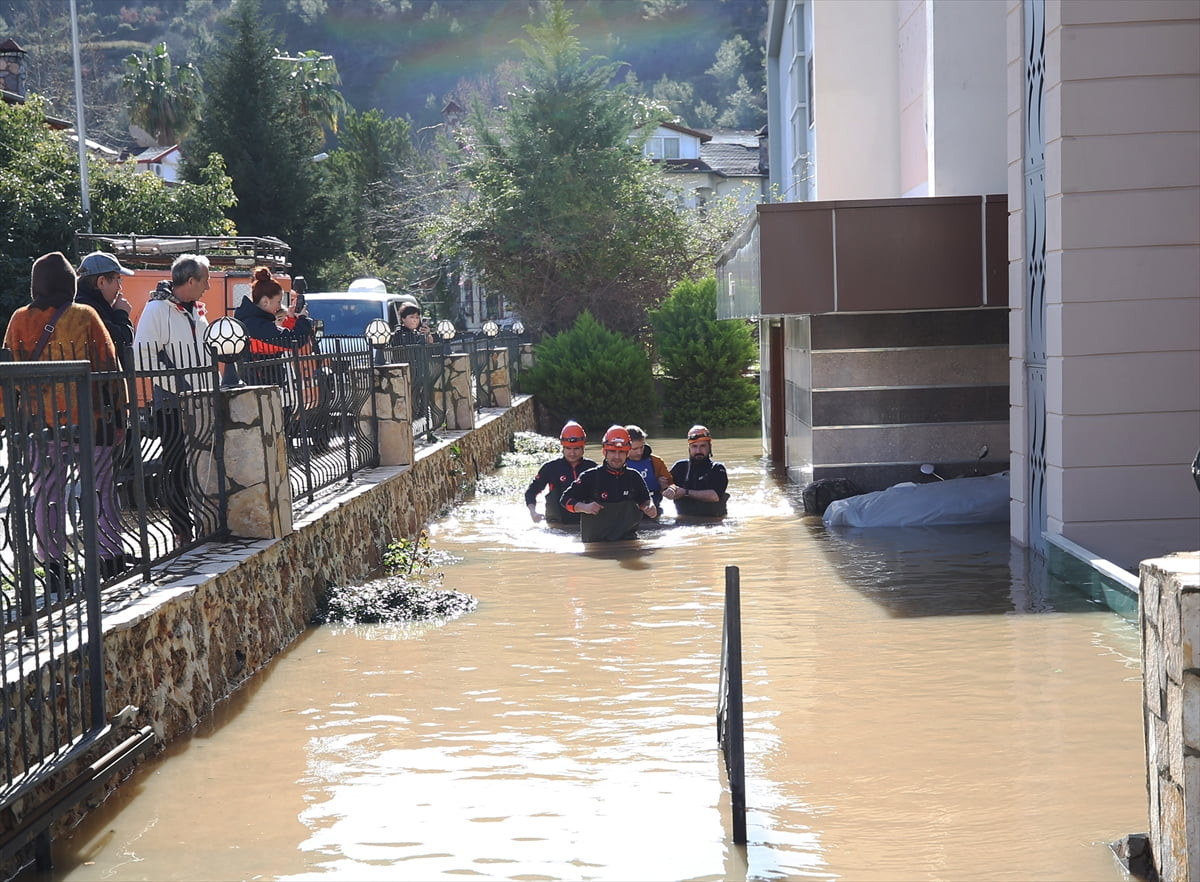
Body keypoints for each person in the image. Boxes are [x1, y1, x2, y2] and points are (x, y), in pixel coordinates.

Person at [3, 251, 127, 587]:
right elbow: (108, 368)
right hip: (91, 421)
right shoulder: (85, 316)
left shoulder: (19, 319)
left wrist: (9, 420)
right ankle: (109, 559)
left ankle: (54, 568)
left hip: (38, 425)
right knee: (100, 490)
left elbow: (9, 373)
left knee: (47, 496)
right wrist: (119, 416)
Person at [132, 253, 212, 548]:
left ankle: (207, 522)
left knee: (202, 464)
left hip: (200, 399)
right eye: (205, 281)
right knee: (176, 467)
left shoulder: (196, 310)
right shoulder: (156, 310)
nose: (208, 287)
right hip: (172, 403)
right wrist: (181, 387)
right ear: (190, 281)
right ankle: (182, 531)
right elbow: (143, 358)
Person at [560, 425, 657, 541]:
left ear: (627, 453)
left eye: (621, 452)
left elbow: (645, 500)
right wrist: (584, 507)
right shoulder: (590, 476)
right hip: (596, 545)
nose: (617, 456)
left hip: (628, 542)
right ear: (604, 451)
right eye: (612, 451)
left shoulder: (634, 477)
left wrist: (650, 506)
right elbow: (565, 500)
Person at [525, 420, 597, 524]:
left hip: (586, 524)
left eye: (576, 448)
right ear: (562, 447)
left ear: (583, 447)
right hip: (557, 525)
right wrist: (533, 512)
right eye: (568, 448)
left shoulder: (592, 468)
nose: (572, 453)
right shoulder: (550, 468)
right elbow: (531, 492)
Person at [75, 251, 136, 370]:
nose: (119, 287)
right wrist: (121, 314)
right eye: (117, 279)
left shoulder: (82, 302)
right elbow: (120, 345)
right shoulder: (90, 310)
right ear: (101, 282)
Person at [662, 425, 729, 517]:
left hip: (713, 521)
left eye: (703, 446)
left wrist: (685, 492)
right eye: (694, 446)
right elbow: (665, 486)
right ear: (689, 448)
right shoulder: (680, 467)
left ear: (709, 447)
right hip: (684, 521)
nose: (698, 451)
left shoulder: (717, 468)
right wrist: (667, 488)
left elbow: (714, 496)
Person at [624, 424, 672, 512]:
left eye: (641, 447)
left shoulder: (656, 461)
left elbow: (671, 484)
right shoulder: (617, 463)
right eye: (634, 449)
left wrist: (668, 488)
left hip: (653, 508)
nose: (639, 452)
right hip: (627, 510)